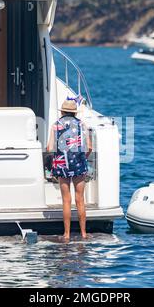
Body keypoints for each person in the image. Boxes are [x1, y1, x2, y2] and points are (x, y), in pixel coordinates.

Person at [46, 99, 92, 241]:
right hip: (78, 163)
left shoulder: (56, 125)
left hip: (62, 165)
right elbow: (89, 147)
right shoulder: (81, 124)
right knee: (80, 200)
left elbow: (49, 148)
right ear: (74, 112)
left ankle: (66, 234)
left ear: (63, 111)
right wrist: (82, 157)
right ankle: (83, 233)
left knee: (66, 200)